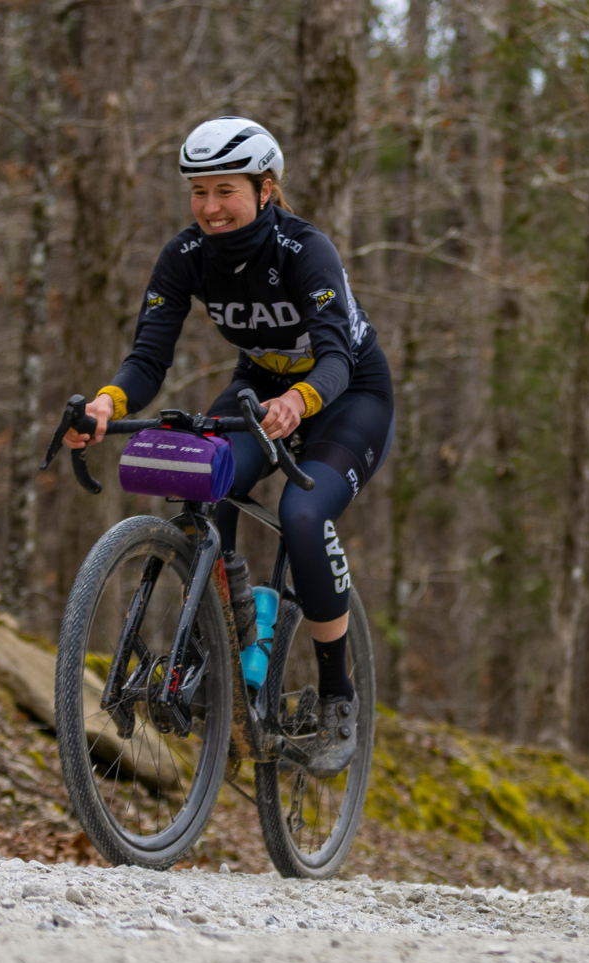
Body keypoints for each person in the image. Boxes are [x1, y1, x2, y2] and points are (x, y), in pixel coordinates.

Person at [63, 116, 393, 776]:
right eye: (198, 192)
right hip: (257, 391)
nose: (210, 208)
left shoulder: (306, 252)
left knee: (302, 515)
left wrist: (299, 401)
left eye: (225, 191)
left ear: (266, 189)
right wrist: (106, 403)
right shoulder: (183, 257)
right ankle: (235, 630)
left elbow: (333, 357)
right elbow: (148, 359)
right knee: (196, 482)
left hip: (346, 398)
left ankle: (338, 700)